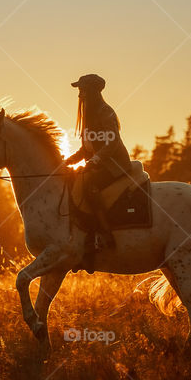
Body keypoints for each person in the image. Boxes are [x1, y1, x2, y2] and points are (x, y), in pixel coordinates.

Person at [63, 74, 131, 251]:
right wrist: (66, 162)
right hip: (98, 164)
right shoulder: (89, 115)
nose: (80, 95)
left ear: (92, 92)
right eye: (79, 90)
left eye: (82, 90)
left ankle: (105, 233)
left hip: (115, 166)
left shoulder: (105, 112)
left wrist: (95, 160)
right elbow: (85, 149)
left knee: (90, 187)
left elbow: (112, 141)